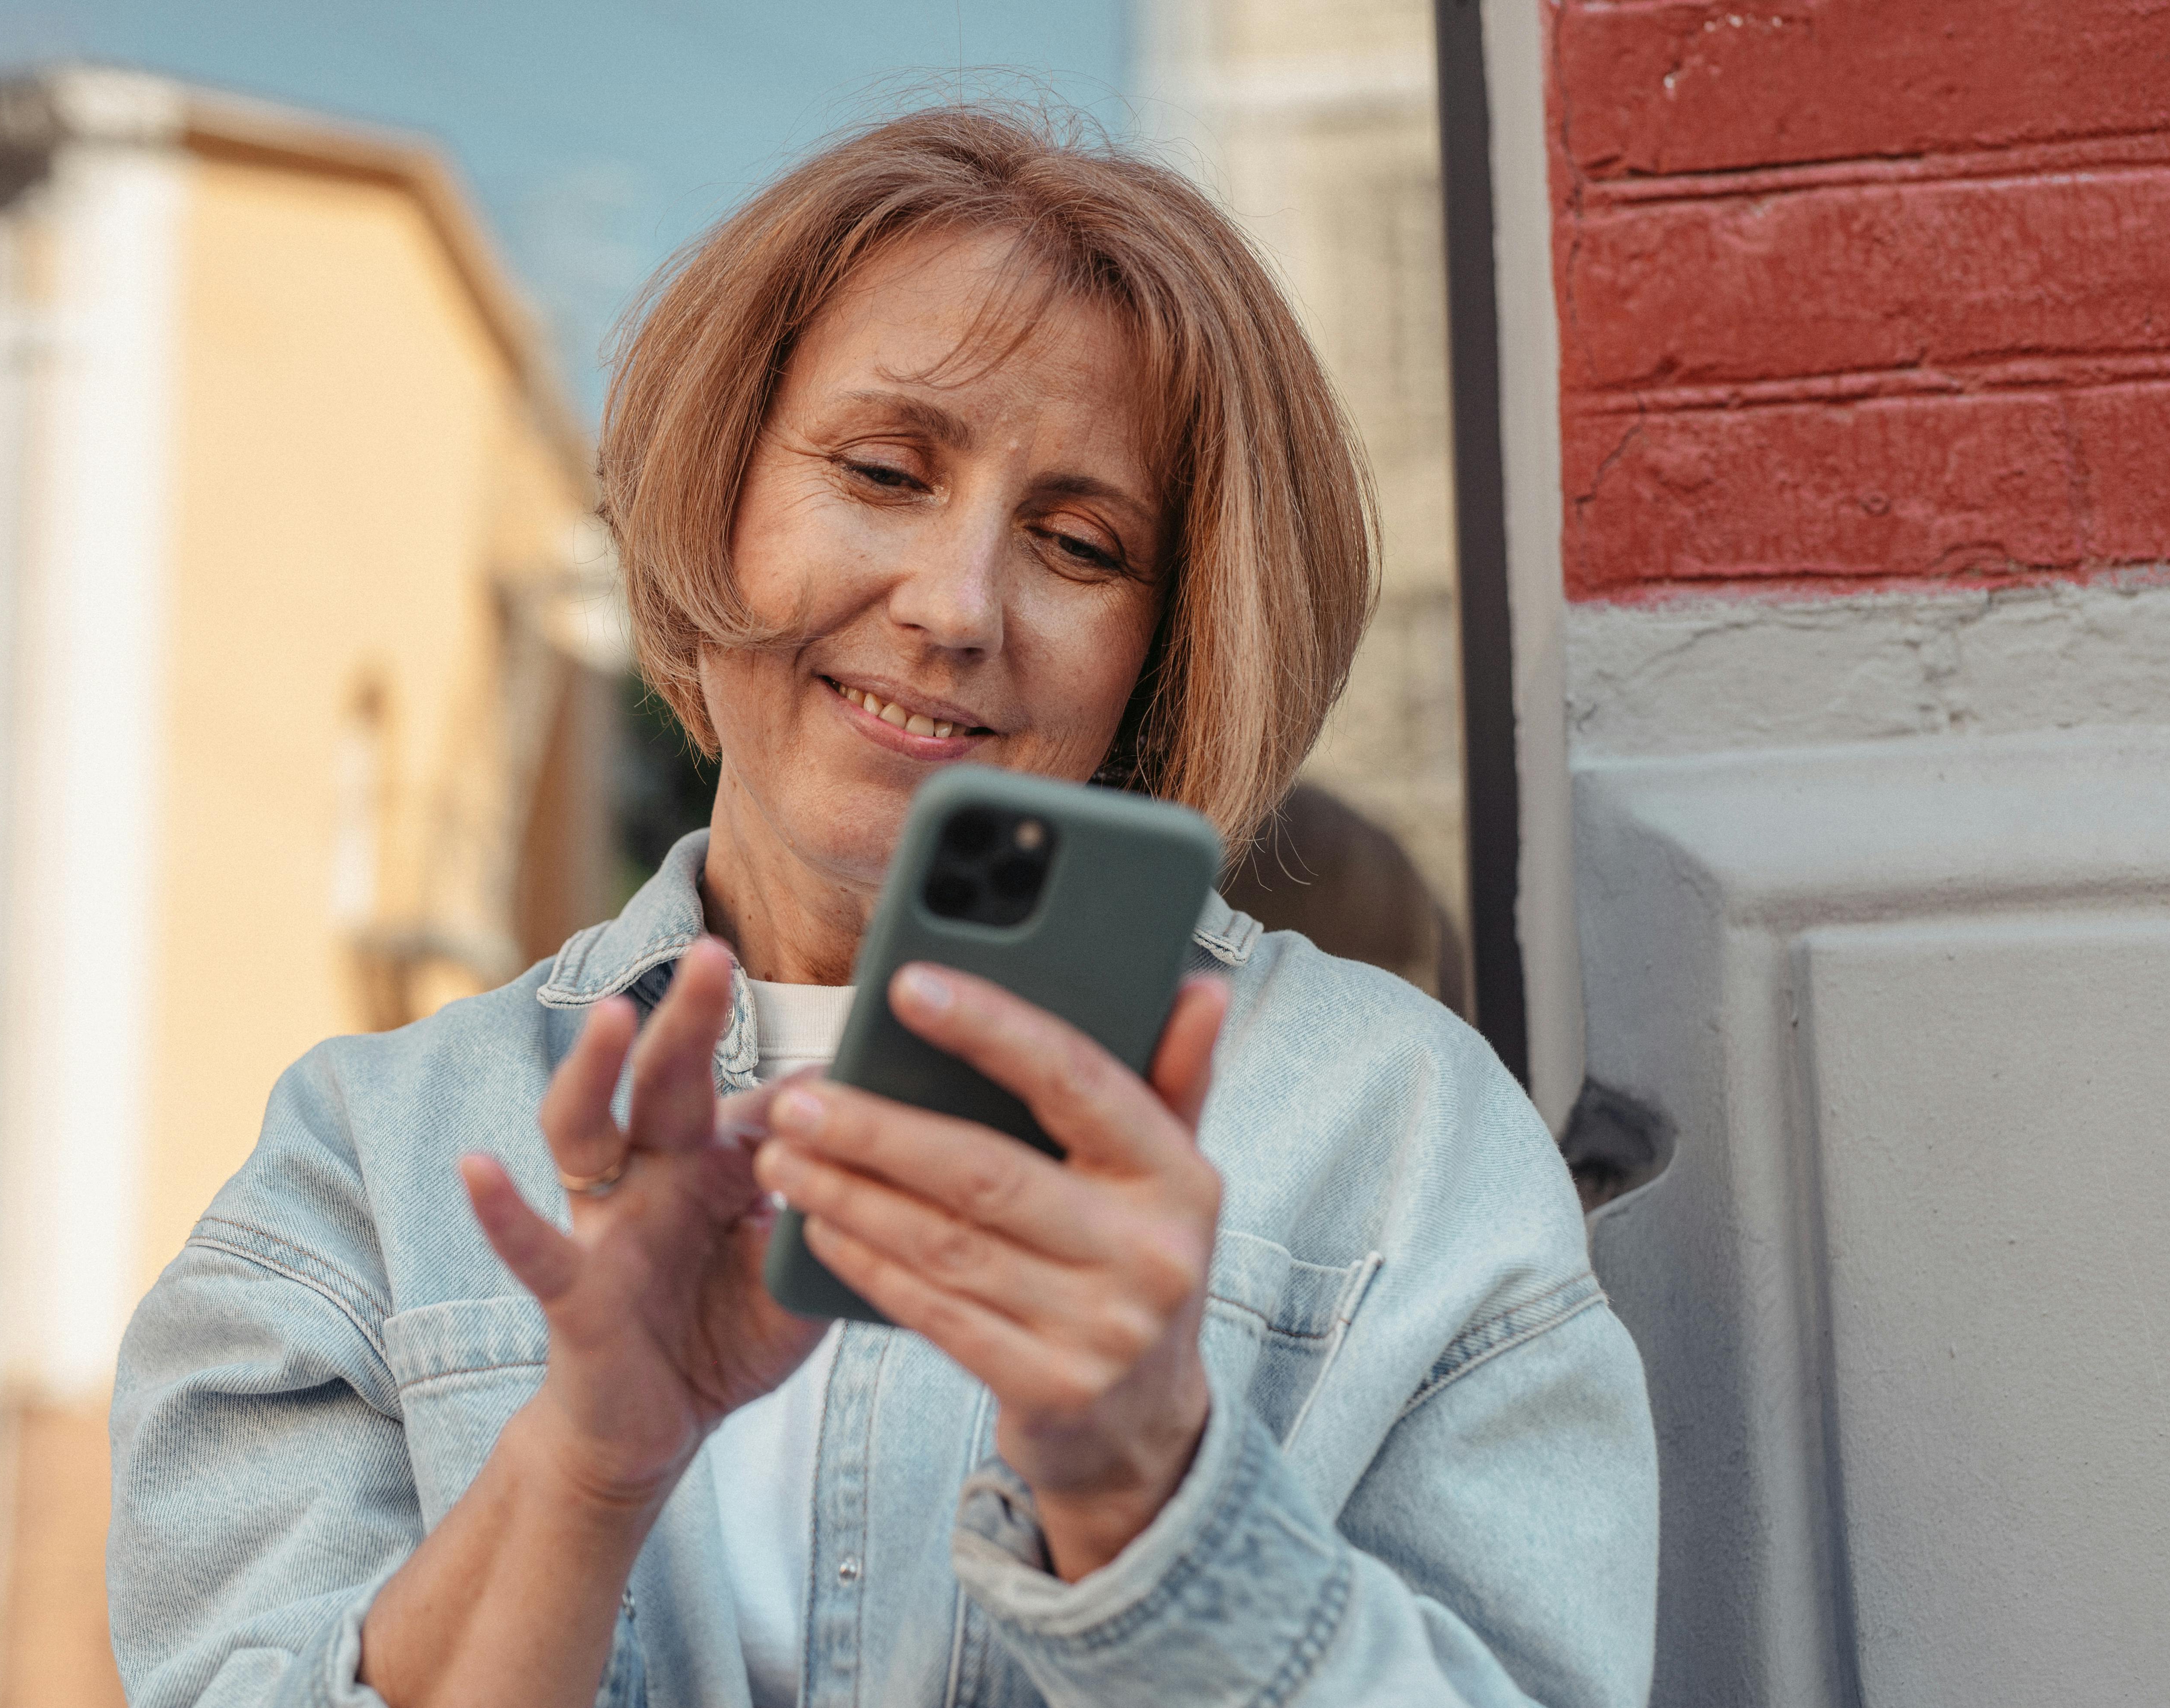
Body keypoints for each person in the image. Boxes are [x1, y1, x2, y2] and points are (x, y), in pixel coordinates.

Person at [107, 105, 1657, 1708]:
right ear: (715, 496)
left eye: (1078, 543)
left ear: (1167, 649)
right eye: (879, 471)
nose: (955, 605)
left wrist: (1149, 1497)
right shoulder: (376, 1163)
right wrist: (576, 1475)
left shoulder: (1395, 1138)